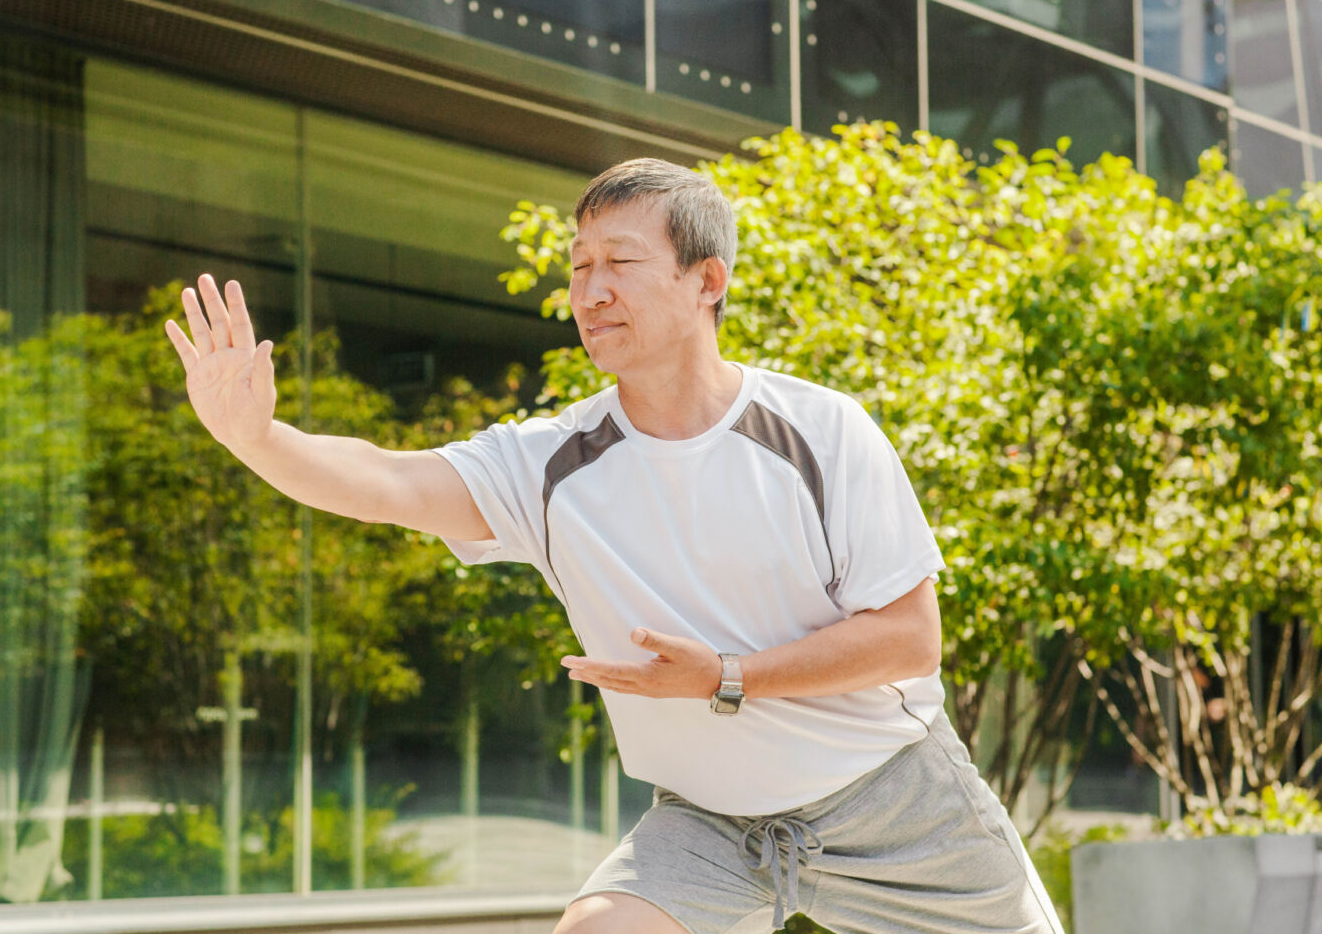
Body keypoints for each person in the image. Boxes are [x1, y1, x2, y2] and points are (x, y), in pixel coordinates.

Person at [165, 158, 1064, 934]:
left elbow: (909, 639)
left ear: (707, 281)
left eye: (620, 264)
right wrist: (257, 438)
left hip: (894, 798)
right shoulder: (550, 463)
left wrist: (723, 675)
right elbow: (389, 481)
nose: (590, 292)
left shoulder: (821, 433)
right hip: (710, 822)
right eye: (579, 266)